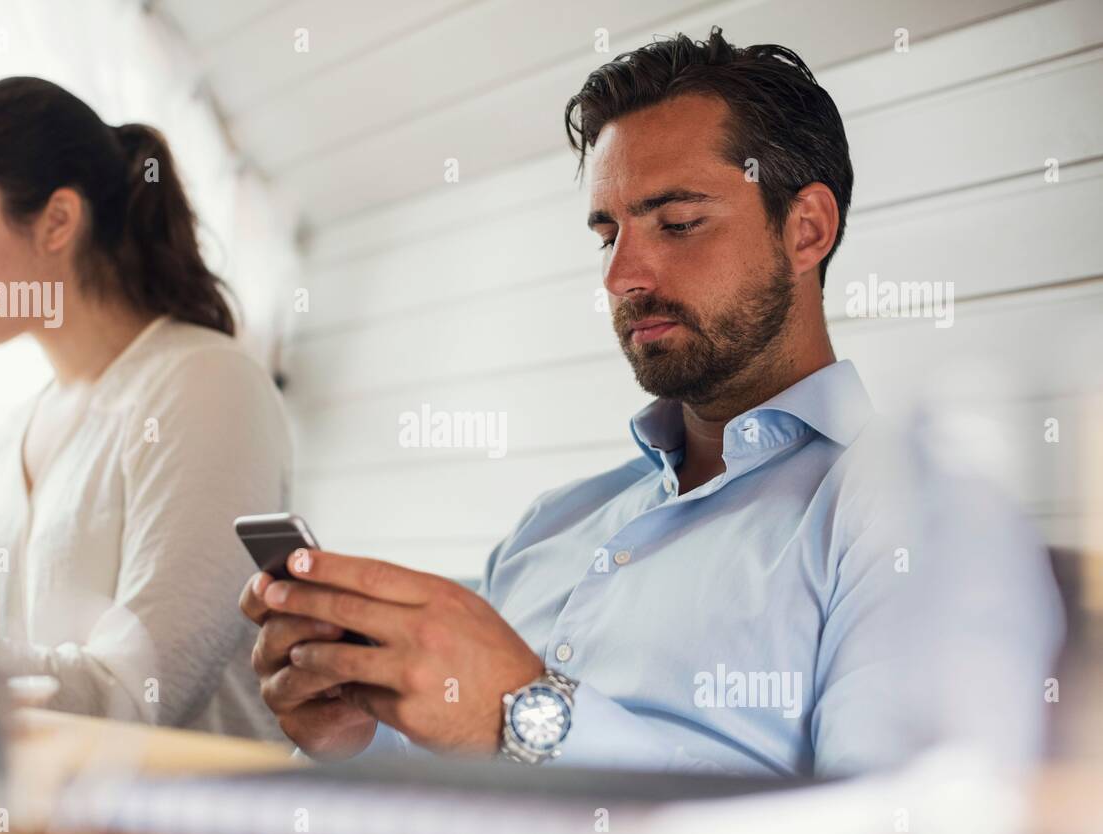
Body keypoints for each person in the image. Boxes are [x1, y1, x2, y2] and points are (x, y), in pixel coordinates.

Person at [238, 29, 1063, 775]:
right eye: (608, 235)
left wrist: (525, 715)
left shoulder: (920, 516)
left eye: (675, 222)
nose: (620, 277)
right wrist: (358, 734)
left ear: (806, 229)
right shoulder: (551, 524)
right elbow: (462, 761)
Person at [0, 77, 289, 740]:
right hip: (40, 833)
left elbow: (137, 694)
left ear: (57, 220)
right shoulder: (13, 432)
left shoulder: (207, 384)